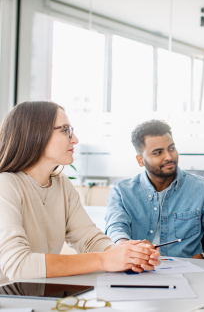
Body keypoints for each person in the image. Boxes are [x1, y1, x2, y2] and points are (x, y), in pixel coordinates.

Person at [0, 101, 160, 284]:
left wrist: (127, 254)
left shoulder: (61, 184)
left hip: (37, 295)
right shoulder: (5, 184)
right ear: (35, 133)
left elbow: (89, 240)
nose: (74, 139)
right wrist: (105, 259)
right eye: (65, 130)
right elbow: (17, 265)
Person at [105, 120, 204, 259]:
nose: (169, 157)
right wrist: (127, 248)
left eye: (171, 148)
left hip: (189, 272)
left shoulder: (201, 188)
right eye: (158, 153)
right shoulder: (121, 191)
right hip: (137, 270)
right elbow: (115, 230)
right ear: (140, 160)